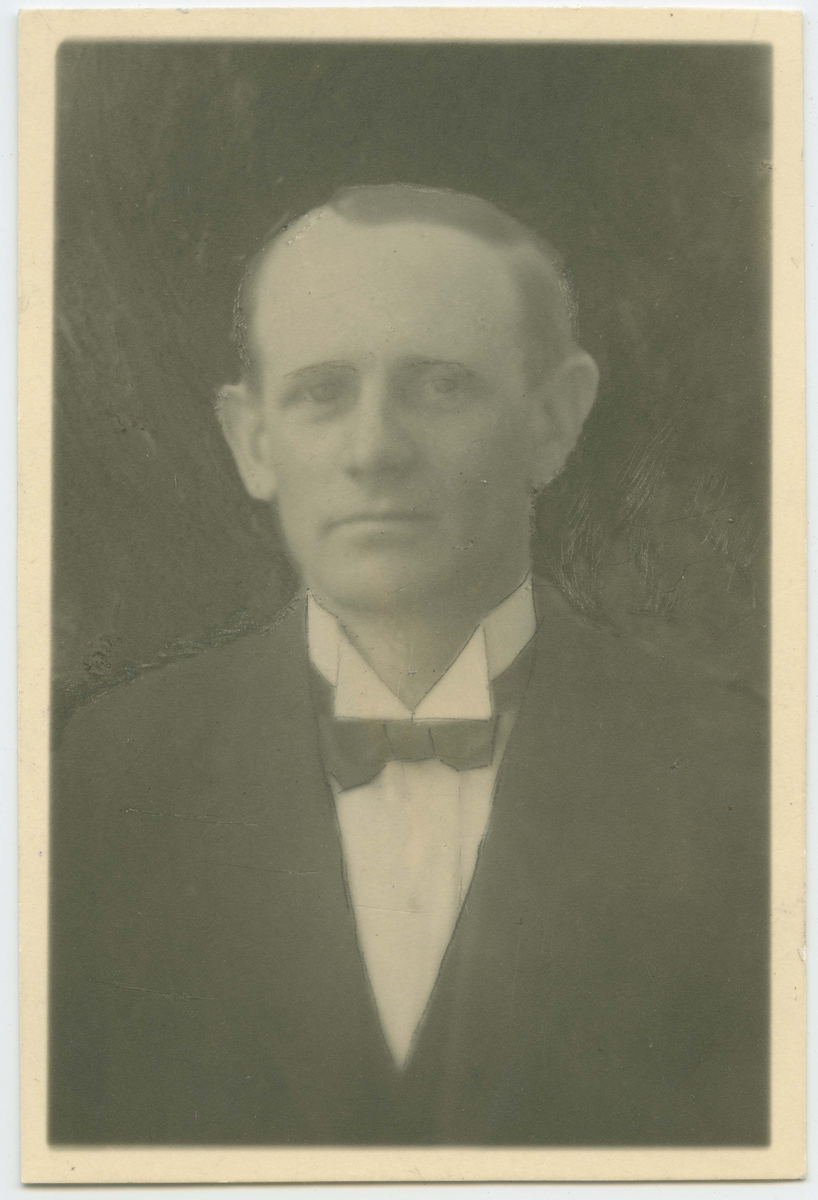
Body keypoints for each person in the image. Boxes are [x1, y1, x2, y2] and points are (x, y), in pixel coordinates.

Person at [49, 184, 768, 1146]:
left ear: (554, 421)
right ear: (253, 442)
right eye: (321, 391)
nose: (375, 450)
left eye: (440, 386)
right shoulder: (107, 776)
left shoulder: (742, 775)